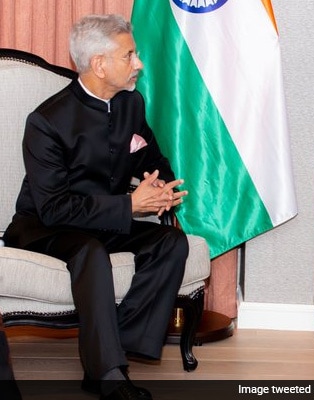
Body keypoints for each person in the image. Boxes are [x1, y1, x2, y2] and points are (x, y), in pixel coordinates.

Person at [3, 14, 189, 400]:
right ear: (100, 64)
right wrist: (129, 204)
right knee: (89, 251)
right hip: (44, 226)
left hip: (105, 220)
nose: (138, 64)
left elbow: (147, 155)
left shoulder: (130, 104)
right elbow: (54, 207)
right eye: (129, 55)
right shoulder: (46, 122)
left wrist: (162, 187)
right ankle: (106, 374)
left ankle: (117, 346)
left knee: (171, 243)